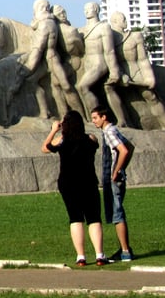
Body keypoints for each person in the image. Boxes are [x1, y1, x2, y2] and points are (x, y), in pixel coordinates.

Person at [42, 110, 107, 267]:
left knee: (75, 218)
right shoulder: (90, 139)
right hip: (88, 181)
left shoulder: (62, 141)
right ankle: (99, 254)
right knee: (94, 218)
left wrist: (53, 130)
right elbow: (95, 143)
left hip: (68, 183)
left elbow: (45, 147)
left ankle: (81, 256)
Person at [90, 105, 135, 262]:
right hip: (117, 176)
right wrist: (122, 168)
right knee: (117, 212)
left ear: (104, 117)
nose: (93, 121)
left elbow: (124, 150)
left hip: (114, 178)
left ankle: (125, 251)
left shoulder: (109, 131)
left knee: (117, 214)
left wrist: (116, 171)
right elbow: (130, 147)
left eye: (95, 117)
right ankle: (124, 249)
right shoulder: (112, 130)